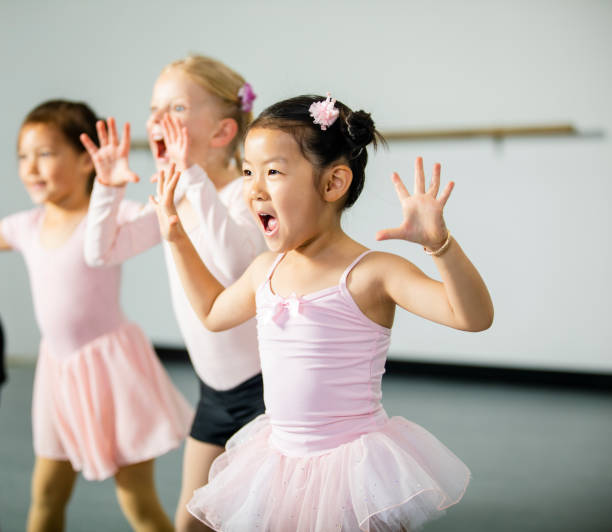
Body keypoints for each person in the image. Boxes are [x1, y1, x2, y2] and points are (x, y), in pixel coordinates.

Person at [152, 93, 495, 531]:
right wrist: (177, 239)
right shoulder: (265, 270)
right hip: (279, 464)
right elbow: (213, 313)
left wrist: (439, 245)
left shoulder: (372, 272)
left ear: (333, 183)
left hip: (351, 472)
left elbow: (473, 317)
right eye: (247, 172)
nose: (253, 188)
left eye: (272, 172)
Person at [80, 54, 266, 532]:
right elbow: (103, 251)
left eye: (177, 109)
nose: (156, 120)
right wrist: (106, 188)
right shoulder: (177, 193)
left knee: (267, 518)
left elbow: (235, 272)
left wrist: (195, 179)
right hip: (215, 394)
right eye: (153, 107)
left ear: (224, 132)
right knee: (192, 523)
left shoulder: (245, 196)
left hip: (267, 392)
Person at [0, 99, 194, 531]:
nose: (31, 167)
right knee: (46, 496)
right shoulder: (25, 226)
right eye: (23, 156)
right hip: (58, 375)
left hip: (112, 371)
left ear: (89, 161)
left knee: (138, 502)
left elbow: (157, 216)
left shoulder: (106, 217)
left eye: (46, 154)